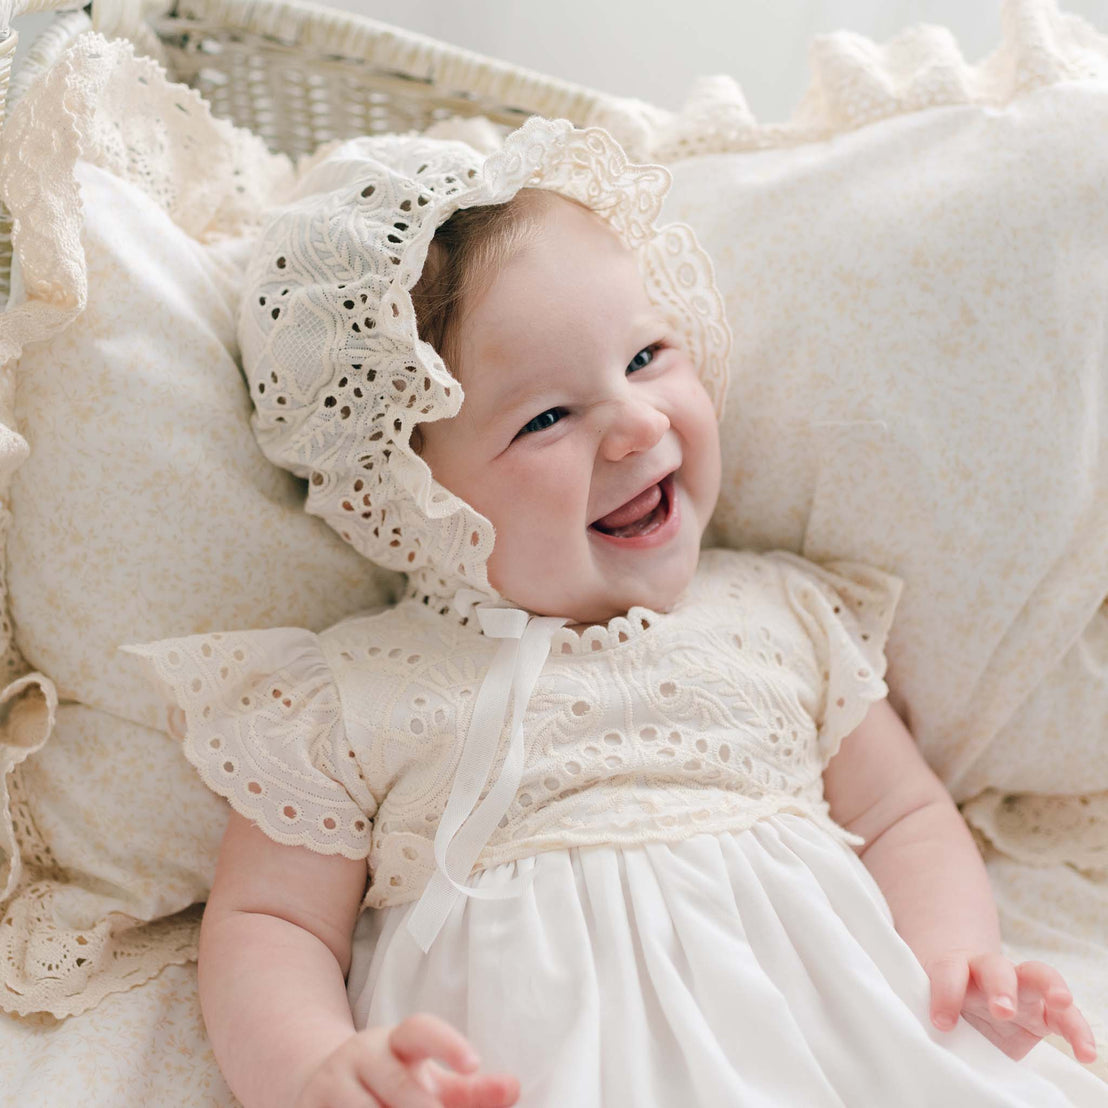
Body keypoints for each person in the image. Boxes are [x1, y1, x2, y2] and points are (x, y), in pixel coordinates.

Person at [122, 118, 1105, 1108]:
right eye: (545, 418)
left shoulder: (782, 611)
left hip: (834, 1054)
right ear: (411, 493)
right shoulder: (352, 692)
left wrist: (957, 960)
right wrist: (312, 1069)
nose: (639, 422)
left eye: (645, 356)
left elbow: (904, 816)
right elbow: (270, 926)